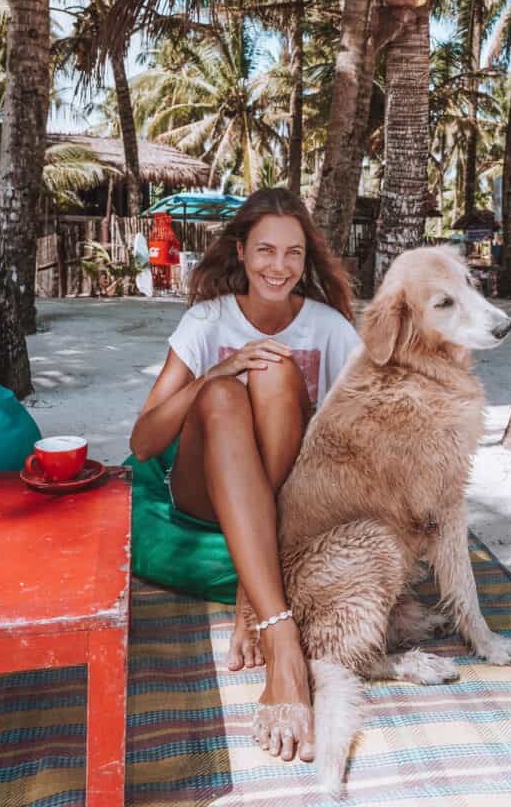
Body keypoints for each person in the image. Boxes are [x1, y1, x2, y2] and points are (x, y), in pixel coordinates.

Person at [127, 187, 360, 765]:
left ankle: (248, 591)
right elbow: (142, 441)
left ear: (307, 260)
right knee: (227, 394)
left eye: (293, 254)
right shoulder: (207, 321)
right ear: (241, 250)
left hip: (288, 495)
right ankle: (283, 641)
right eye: (265, 251)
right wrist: (214, 376)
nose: (278, 268)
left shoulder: (330, 329)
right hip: (203, 490)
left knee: (277, 369)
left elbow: (359, 436)